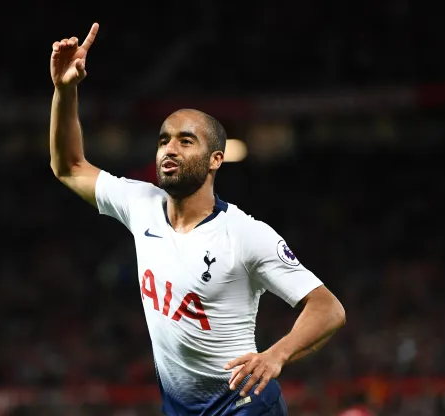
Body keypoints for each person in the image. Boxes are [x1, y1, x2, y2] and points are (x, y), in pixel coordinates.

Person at [49, 23, 346, 416]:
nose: (169, 149)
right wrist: (65, 91)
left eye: (185, 141)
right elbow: (69, 166)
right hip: (180, 408)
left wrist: (277, 355)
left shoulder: (244, 234)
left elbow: (328, 308)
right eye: (163, 140)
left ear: (215, 160)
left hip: (244, 407)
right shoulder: (141, 204)